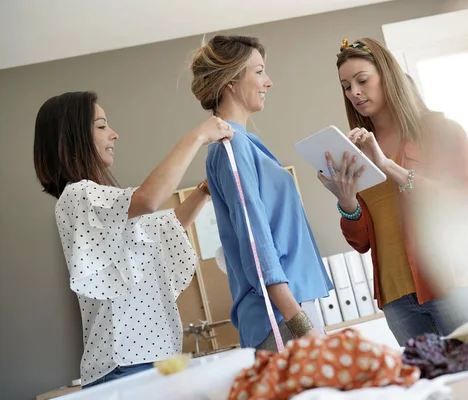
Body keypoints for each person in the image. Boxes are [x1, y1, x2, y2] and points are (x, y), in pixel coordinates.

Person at [33, 91, 233, 387]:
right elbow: (150, 199)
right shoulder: (78, 196)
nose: (114, 135)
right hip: (124, 365)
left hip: (147, 361)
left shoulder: (107, 209)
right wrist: (198, 135)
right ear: (72, 138)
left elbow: (170, 224)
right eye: (101, 126)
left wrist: (204, 189)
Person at [317, 38, 468, 346]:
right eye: (346, 86)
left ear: (388, 75)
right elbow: (361, 242)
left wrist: (389, 166)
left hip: (454, 284)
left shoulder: (442, 131)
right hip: (398, 301)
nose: (354, 93)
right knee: (432, 393)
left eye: (362, 80)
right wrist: (346, 201)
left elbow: (461, 204)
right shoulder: (355, 152)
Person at [189, 35, 333, 351]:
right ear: (230, 82)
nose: (269, 82)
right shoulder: (232, 145)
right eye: (259, 71)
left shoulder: (242, 143)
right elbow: (256, 243)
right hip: (282, 317)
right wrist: (300, 324)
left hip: (289, 309)